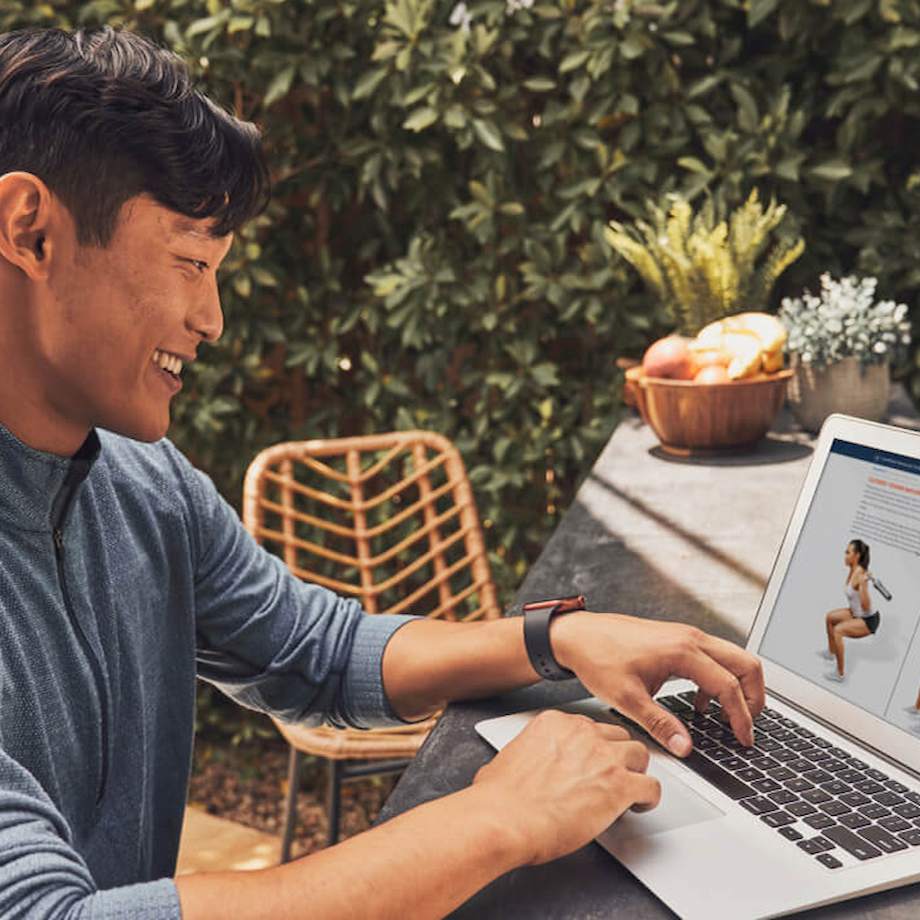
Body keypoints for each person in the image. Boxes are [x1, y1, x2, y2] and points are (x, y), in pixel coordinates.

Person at [0, 25, 765, 920]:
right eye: (189, 262)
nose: (210, 319)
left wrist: (550, 642)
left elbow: (311, 649)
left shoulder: (144, 483)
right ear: (29, 228)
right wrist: (499, 818)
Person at [820, 539, 880, 682]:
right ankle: (832, 652)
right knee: (830, 617)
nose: (845, 555)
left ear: (857, 555)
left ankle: (839, 674)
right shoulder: (853, 570)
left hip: (868, 620)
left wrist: (864, 585)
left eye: (848, 553)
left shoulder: (860, 576)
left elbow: (866, 606)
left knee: (838, 631)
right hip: (855, 613)